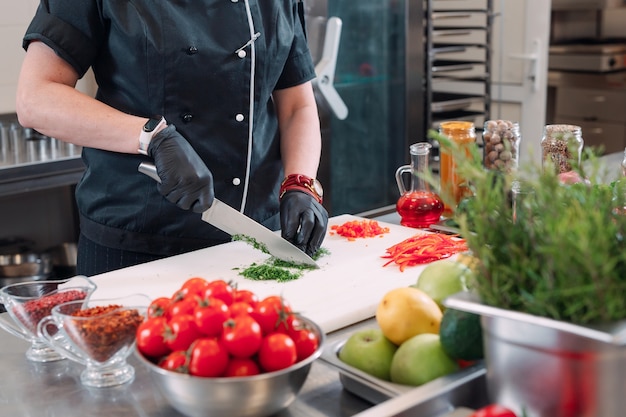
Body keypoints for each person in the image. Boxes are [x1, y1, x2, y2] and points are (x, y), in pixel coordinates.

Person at [16, 0, 328, 276]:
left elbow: (296, 106)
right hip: (136, 248)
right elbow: (36, 99)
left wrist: (301, 182)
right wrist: (151, 138)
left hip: (258, 241)